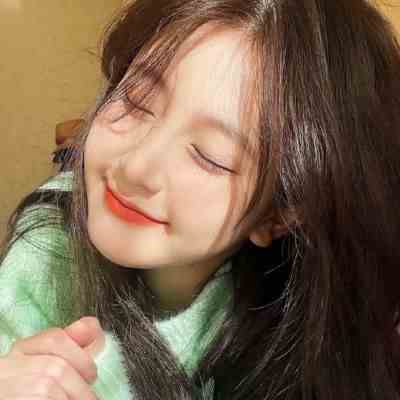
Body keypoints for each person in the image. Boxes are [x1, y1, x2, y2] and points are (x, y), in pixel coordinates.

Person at [1, 0, 400, 398]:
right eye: (136, 100)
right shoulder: (40, 260)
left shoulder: (310, 350)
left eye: (210, 156)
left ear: (278, 215)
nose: (135, 168)